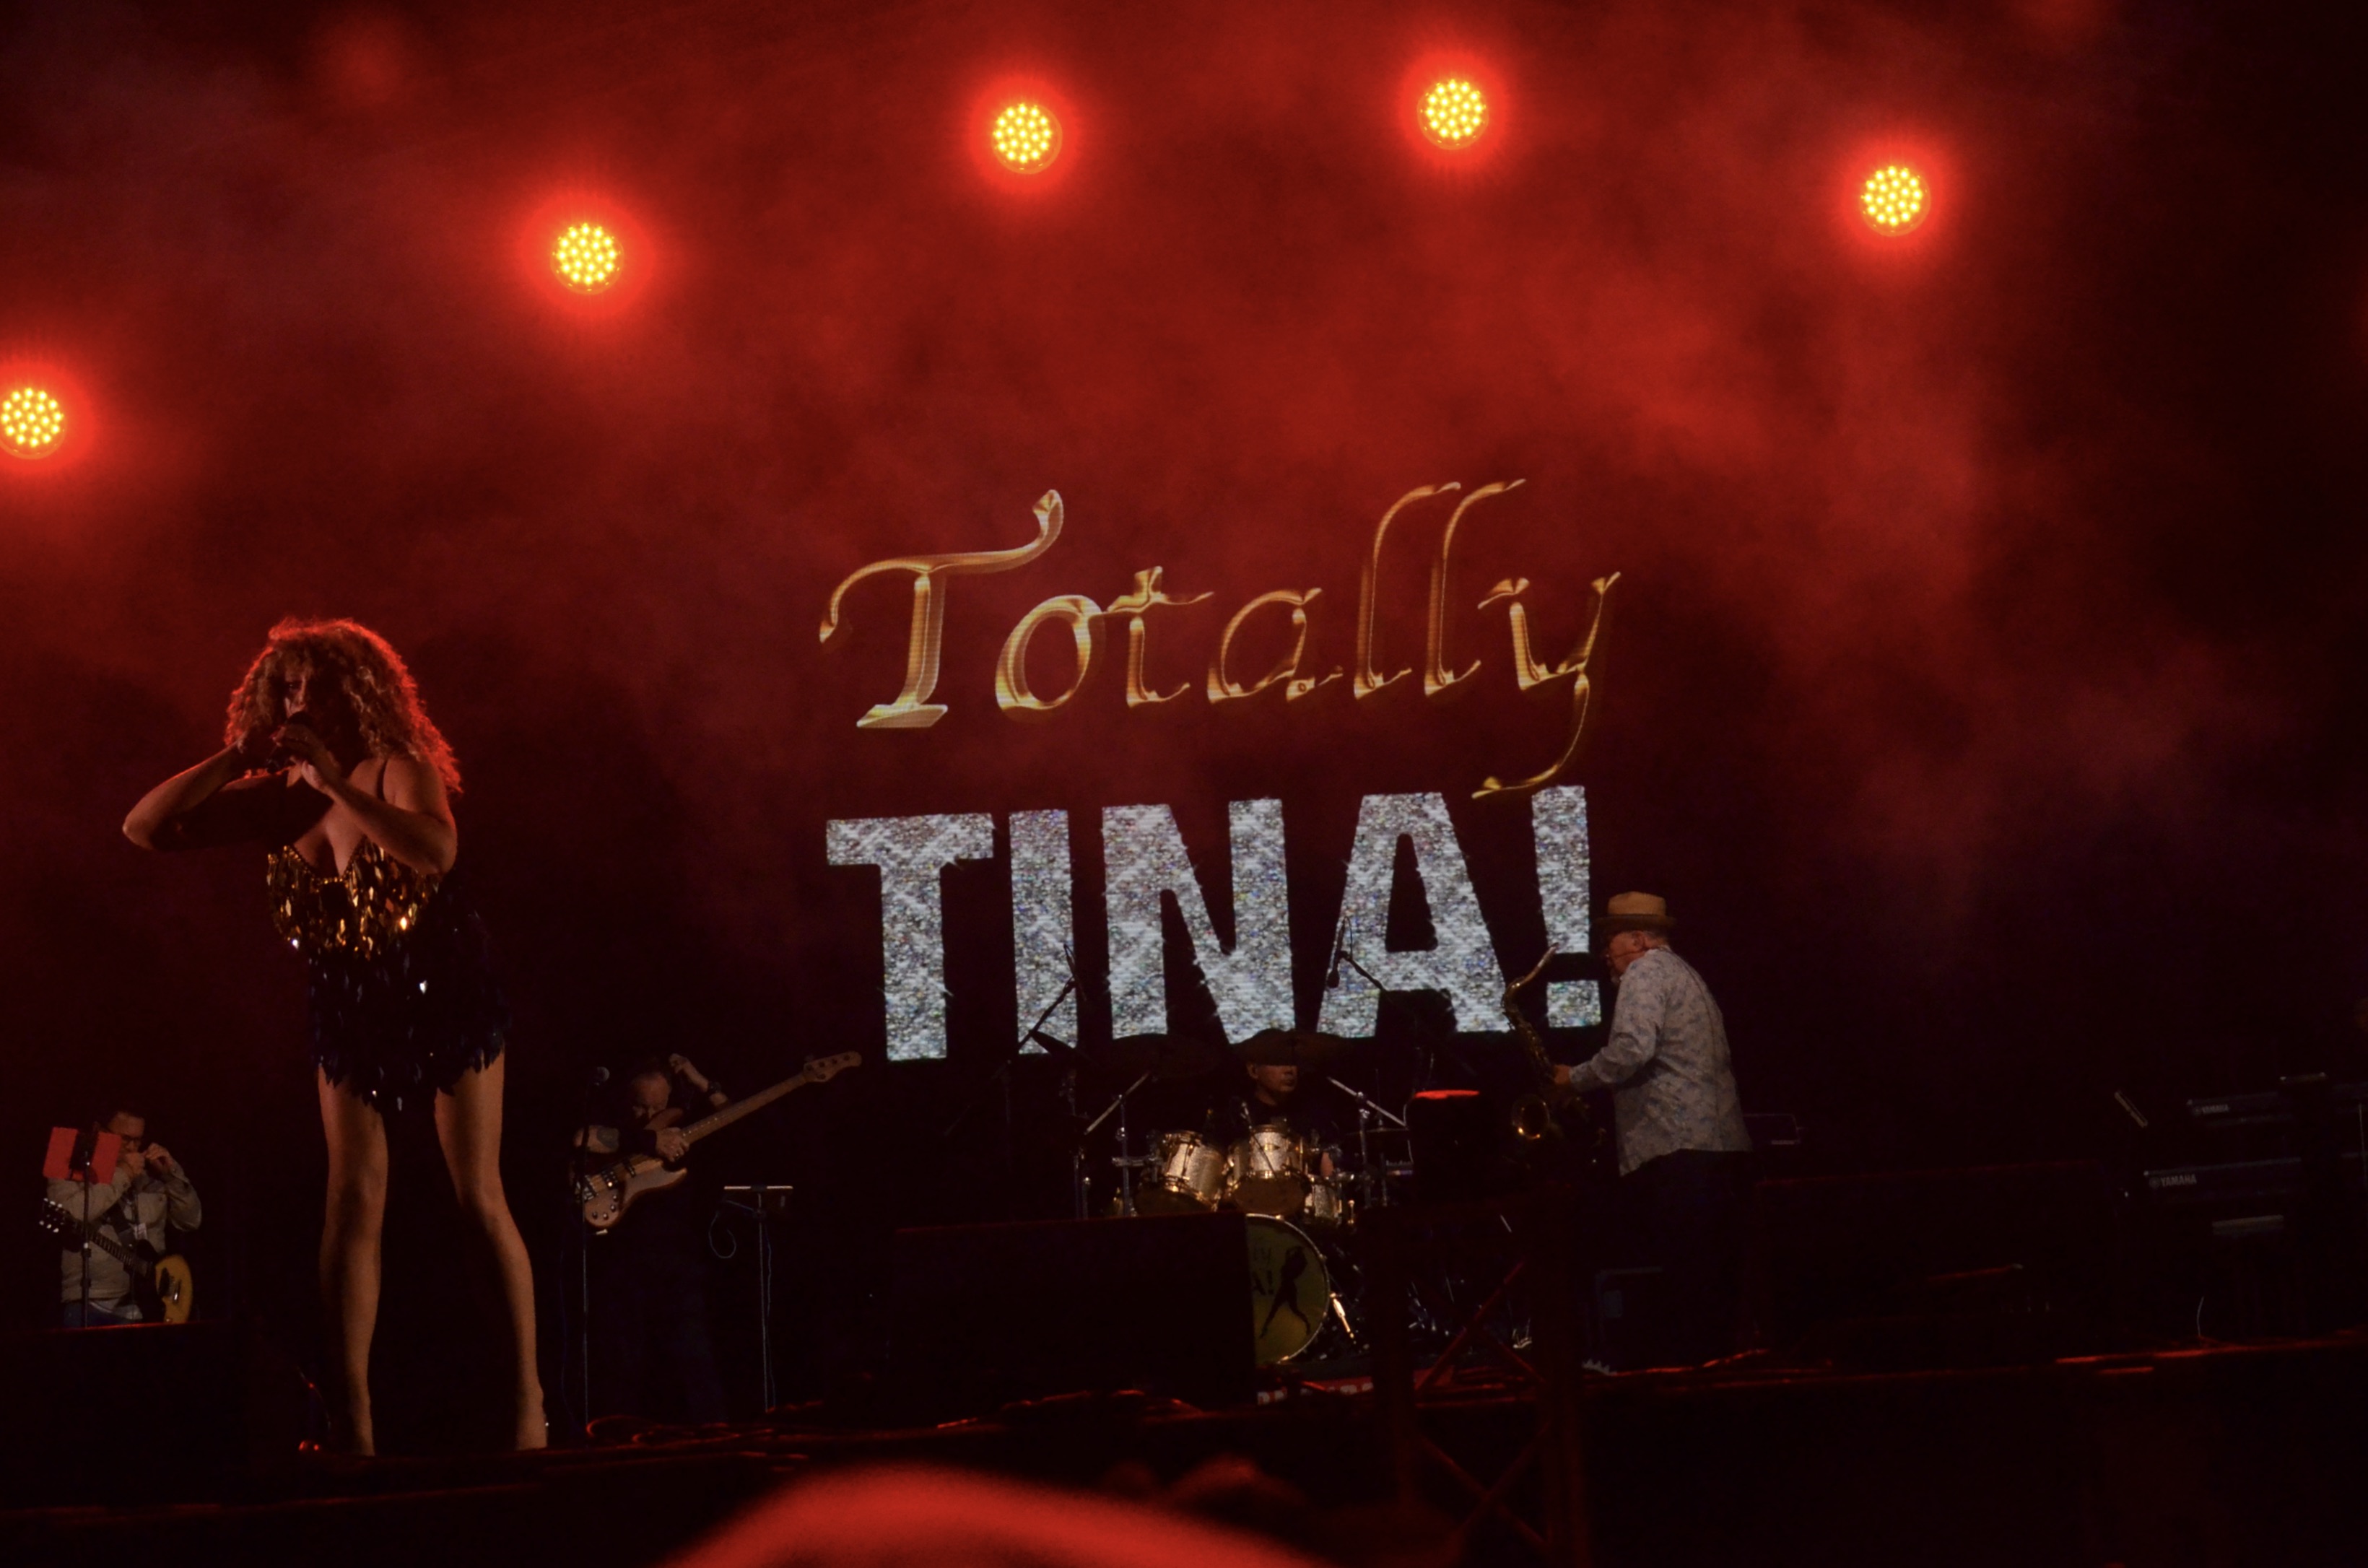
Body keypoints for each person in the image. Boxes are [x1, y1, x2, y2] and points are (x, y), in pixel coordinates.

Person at [122, 617, 544, 1452]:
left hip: (443, 983)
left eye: (316, 684)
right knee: (352, 1196)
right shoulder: (276, 800)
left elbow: (435, 852)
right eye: (286, 686)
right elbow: (144, 829)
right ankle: (353, 1423)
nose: (300, 700)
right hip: (350, 998)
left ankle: (525, 1400)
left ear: (357, 693)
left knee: (476, 1192)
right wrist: (235, 759)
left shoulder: (399, 768)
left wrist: (336, 786)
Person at [1554, 891, 1751, 1363]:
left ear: (1639, 940)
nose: (1606, 954)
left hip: (1675, 1149)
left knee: (1686, 1283)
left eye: (1611, 940)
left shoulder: (1643, 973)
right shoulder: (1688, 974)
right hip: (1721, 1150)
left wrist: (1571, 1080)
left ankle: (1686, 1382)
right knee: (1715, 1287)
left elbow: (1631, 1050)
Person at [577, 1055, 731, 1424]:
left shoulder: (681, 1124)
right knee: (620, 1366)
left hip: (678, 1262)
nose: (648, 1115)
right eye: (639, 1106)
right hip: (620, 1262)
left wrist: (702, 1081)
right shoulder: (619, 1127)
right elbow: (581, 1138)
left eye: (657, 1107)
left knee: (695, 1364)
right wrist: (649, 1140)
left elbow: (733, 1118)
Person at [50, 1103, 202, 1327]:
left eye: (138, 1140)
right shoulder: (66, 1154)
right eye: (125, 1139)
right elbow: (66, 1212)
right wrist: (123, 1173)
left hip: (151, 1306)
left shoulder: (152, 1171)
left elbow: (191, 1221)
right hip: (92, 1304)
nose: (133, 1148)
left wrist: (172, 1176)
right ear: (99, 1130)